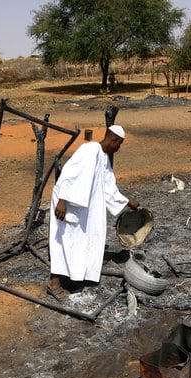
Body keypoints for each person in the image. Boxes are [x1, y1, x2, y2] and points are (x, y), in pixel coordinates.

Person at [47, 125, 140, 301]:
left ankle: (74, 277)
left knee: (81, 241)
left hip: (83, 207)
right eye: (119, 144)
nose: (118, 148)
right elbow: (69, 173)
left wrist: (128, 202)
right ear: (114, 140)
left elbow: (108, 187)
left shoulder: (103, 158)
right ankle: (54, 283)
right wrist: (62, 200)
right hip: (67, 203)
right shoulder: (89, 149)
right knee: (64, 240)